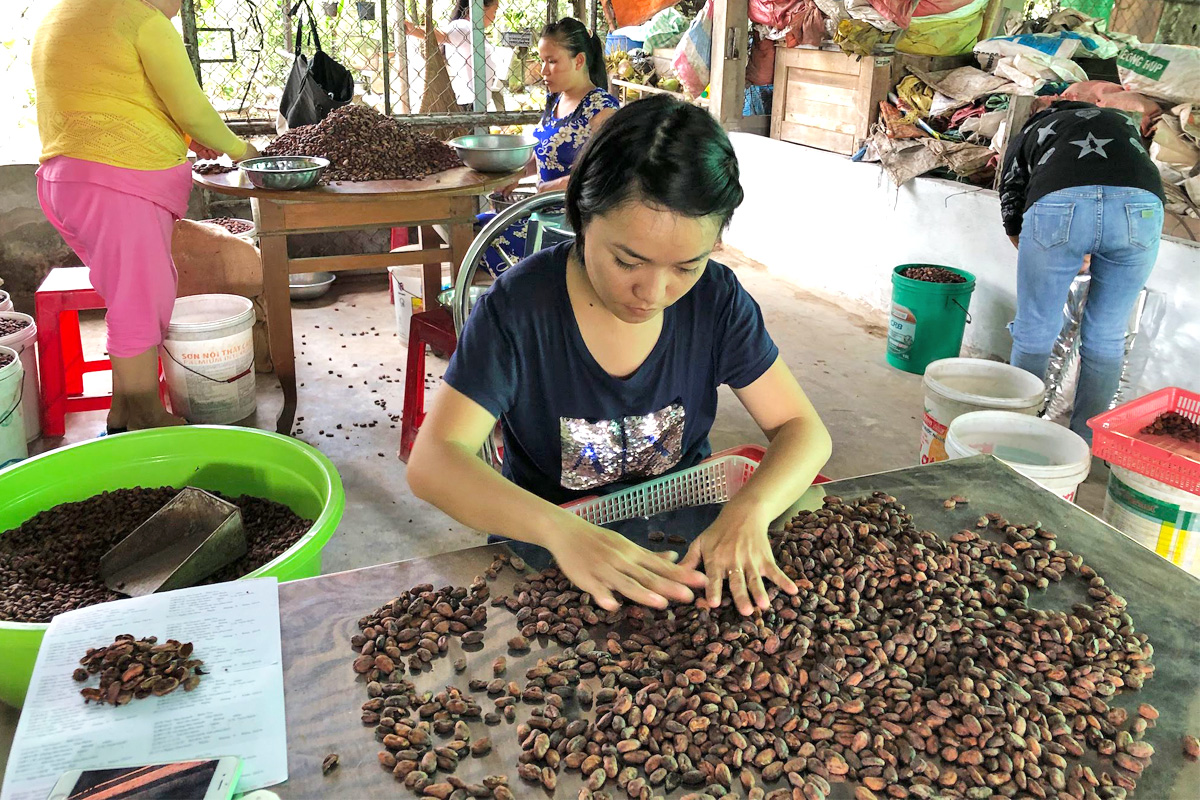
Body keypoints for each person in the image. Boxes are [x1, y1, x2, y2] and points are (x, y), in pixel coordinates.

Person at [408, 96, 832, 616]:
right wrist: (562, 532)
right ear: (583, 216)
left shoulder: (714, 301)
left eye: (686, 265)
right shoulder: (519, 311)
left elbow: (802, 428)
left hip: (685, 534)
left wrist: (750, 511)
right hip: (550, 550)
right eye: (627, 260)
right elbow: (433, 462)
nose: (652, 292)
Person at [32, 0, 257, 433]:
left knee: (132, 293)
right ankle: (142, 414)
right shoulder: (142, 20)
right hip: (116, 183)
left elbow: (113, 102)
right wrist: (244, 151)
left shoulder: (65, 13)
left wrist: (187, 137)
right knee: (140, 296)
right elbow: (191, 107)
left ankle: (123, 414)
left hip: (65, 180)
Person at [1000, 100, 1164, 442]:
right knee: (1106, 334)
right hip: (1142, 207)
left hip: (1059, 205)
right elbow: (1113, 181)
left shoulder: (1031, 130)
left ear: (1042, 110)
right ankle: (1085, 444)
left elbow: (1011, 200)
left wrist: (1046, 249)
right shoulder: (1122, 120)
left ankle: (1014, 436)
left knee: (1035, 329)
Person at [480, 17, 618, 275]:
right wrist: (517, 175)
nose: (543, 70)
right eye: (542, 60)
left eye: (552, 61)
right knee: (476, 227)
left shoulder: (602, 109)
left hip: (573, 224)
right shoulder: (555, 100)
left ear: (579, 61)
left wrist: (550, 188)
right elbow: (546, 154)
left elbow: (605, 173)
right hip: (542, 210)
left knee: (487, 238)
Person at [406, 0, 500, 111]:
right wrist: (414, 30)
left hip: (473, 101)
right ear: (481, 8)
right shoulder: (463, 26)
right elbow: (442, 35)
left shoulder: (473, 30)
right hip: (469, 103)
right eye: (494, 11)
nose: (494, 17)